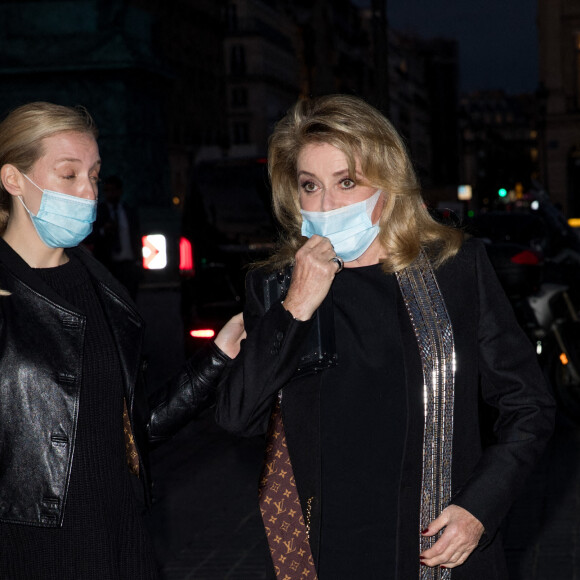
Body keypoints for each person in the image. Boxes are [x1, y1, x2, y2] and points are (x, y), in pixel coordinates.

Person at [215, 94, 555, 579]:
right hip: (327, 551)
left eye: (346, 182)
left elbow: (529, 405)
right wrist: (296, 308)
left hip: (439, 547)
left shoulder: (454, 271)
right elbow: (237, 417)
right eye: (310, 186)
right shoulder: (275, 287)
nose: (325, 204)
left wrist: (479, 508)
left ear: (387, 186)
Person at [0, 101, 244, 579]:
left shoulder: (103, 286)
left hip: (121, 539)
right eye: (68, 175)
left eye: (93, 174)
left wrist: (218, 357)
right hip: (30, 550)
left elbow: (133, 429)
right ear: (12, 179)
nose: (88, 191)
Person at [91, 174, 142, 300]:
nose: (110, 194)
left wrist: (138, 261)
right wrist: (104, 230)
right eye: (107, 191)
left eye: (113, 190)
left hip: (128, 264)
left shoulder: (128, 211)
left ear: (119, 191)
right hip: (109, 266)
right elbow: (90, 235)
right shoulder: (98, 212)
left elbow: (136, 235)